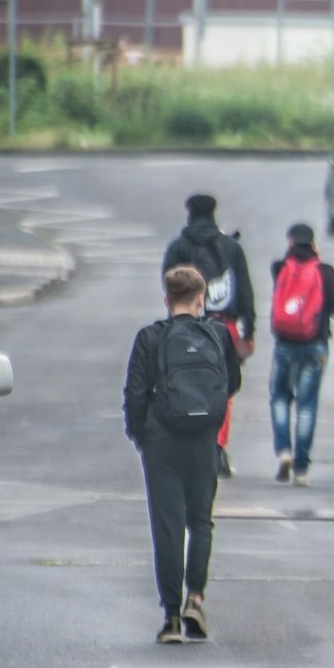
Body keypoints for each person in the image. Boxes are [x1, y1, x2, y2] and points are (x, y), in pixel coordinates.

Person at [122, 266, 242, 644]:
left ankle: (171, 616)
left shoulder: (150, 338)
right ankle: (196, 597)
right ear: (201, 299)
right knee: (201, 520)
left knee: (168, 525)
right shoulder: (218, 334)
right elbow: (232, 382)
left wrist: (141, 435)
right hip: (204, 439)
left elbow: (135, 394)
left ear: (166, 300)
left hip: (163, 440)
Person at [162, 194, 257, 478]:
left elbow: (169, 289)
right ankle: (217, 445)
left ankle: (190, 444)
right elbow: (245, 290)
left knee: (184, 381)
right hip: (224, 327)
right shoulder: (231, 247)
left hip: (185, 326)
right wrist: (248, 331)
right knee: (222, 388)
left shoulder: (178, 248)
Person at [267, 223, 334, 487]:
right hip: (315, 345)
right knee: (307, 405)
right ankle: (301, 469)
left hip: (284, 344)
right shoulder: (324, 271)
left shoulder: (280, 268)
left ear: (290, 242)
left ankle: (284, 451)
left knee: (280, 397)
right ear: (314, 244)